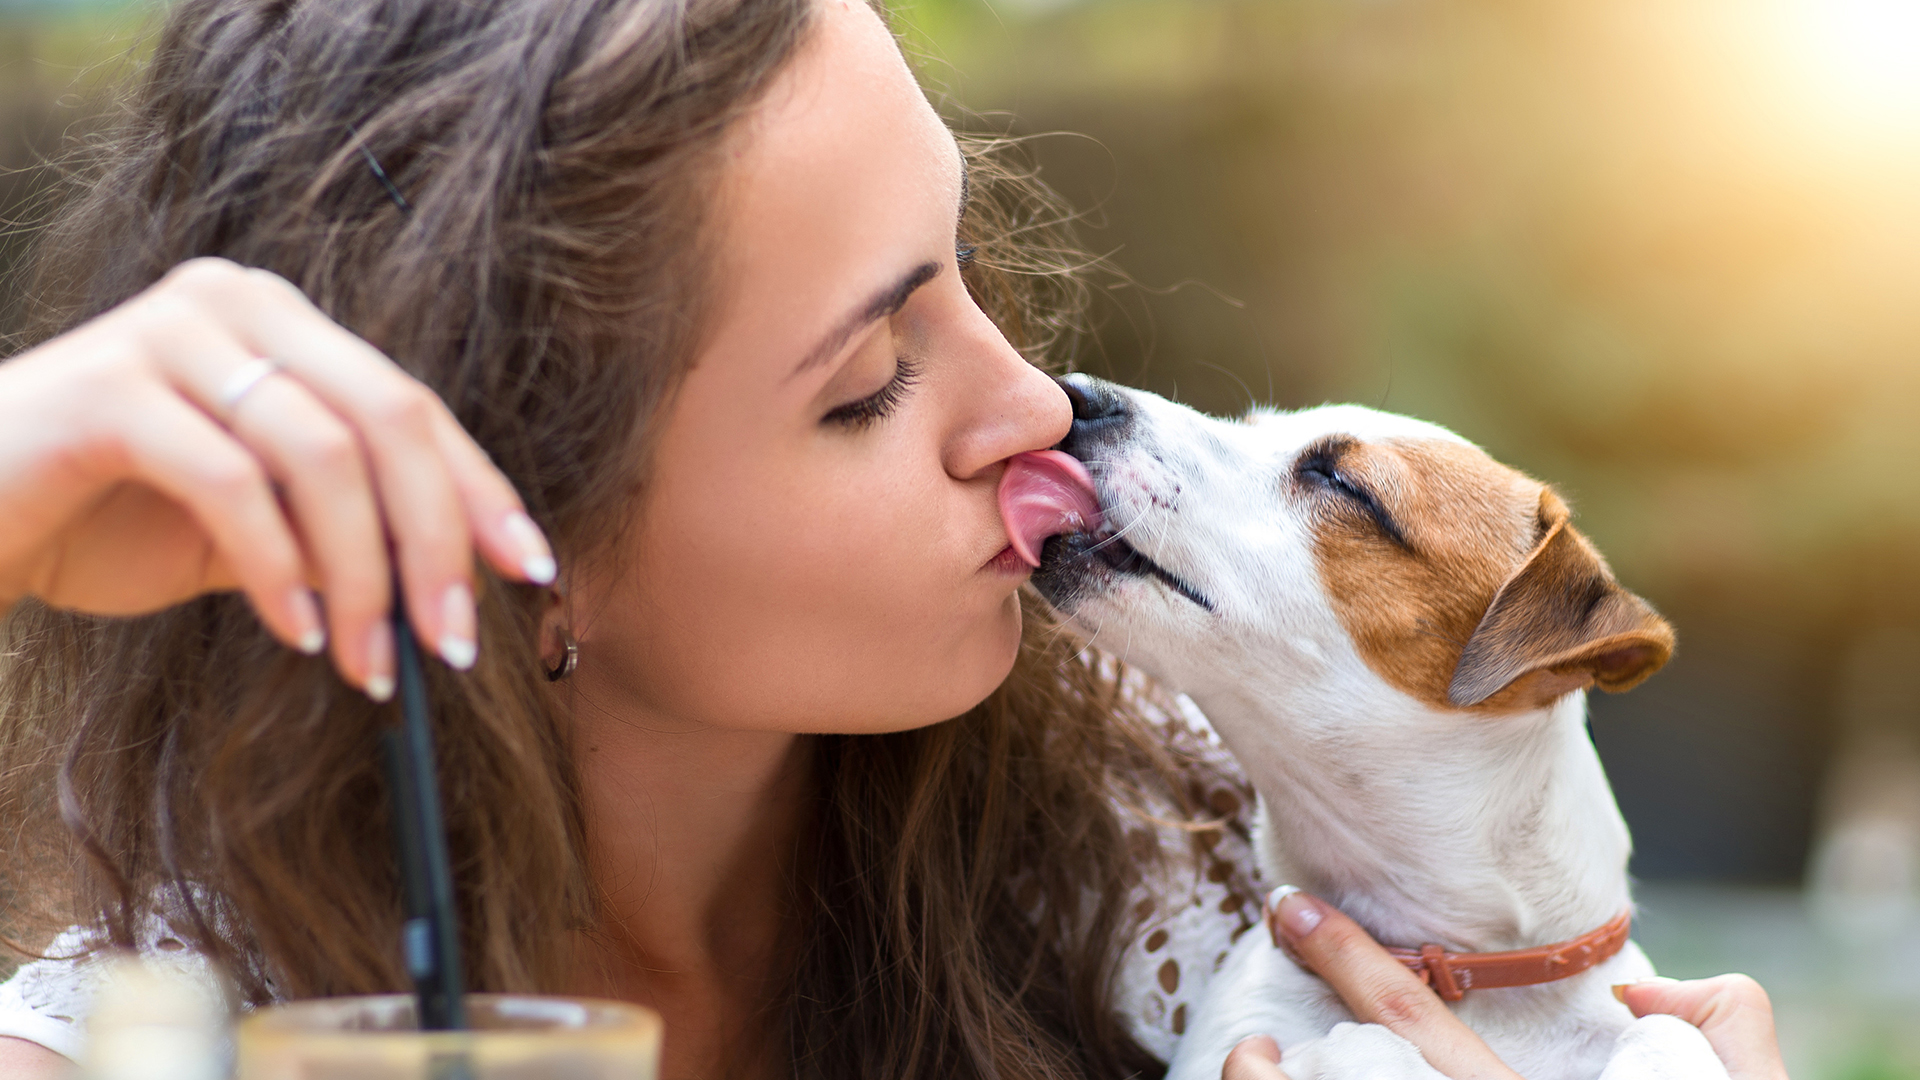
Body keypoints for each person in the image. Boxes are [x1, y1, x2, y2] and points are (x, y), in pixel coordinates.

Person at [0, 0, 1790, 1077]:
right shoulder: (188, 1025)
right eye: (868, 381)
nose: (1036, 408)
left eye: (966, 272)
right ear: (519, 536)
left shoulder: (1185, 834)